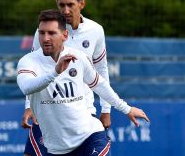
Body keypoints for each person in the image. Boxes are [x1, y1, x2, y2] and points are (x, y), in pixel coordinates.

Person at [17, 9, 149, 156]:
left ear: (65, 35)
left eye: (51, 33)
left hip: (89, 136)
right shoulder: (28, 62)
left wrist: (126, 109)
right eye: (42, 33)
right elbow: (26, 87)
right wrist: (55, 72)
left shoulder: (78, 58)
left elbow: (100, 85)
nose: (45, 38)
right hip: (56, 148)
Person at [22, 0, 112, 156]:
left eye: (70, 5)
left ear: (81, 4)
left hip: (83, 112)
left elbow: (102, 70)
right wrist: (29, 106)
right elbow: (33, 70)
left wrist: (106, 109)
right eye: (61, 5)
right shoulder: (44, 32)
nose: (65, 10)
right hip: (48, 112)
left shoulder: (95, 31)